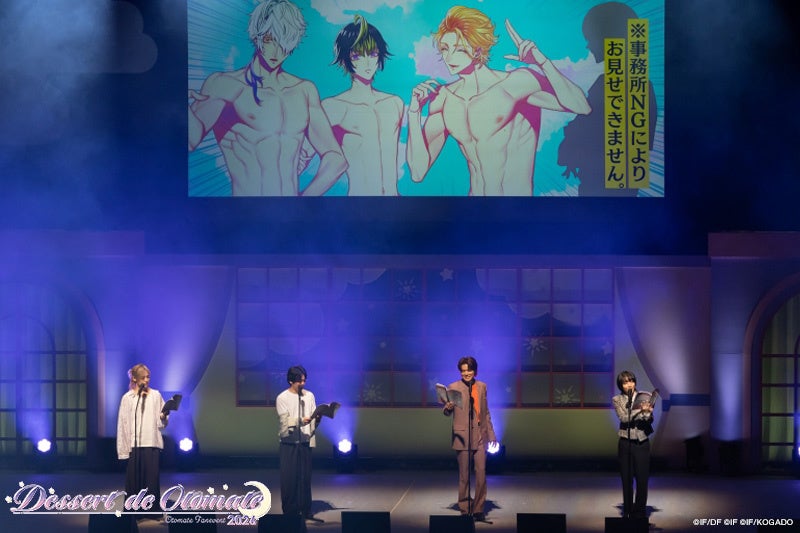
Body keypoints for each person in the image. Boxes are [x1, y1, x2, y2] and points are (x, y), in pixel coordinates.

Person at [407, 6, 591, 196]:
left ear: (478, 48)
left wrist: (542, 62)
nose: (449, 57)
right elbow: (418, 172)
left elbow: (582, 106)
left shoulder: (515, 84)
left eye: (459, 49)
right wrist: (414, 113)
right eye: (445, 49)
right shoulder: (444, 99)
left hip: (515, 207)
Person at [188, 0, 347, 196]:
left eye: (285, 42)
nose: (277, 51)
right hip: (245, 209)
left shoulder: (304, 91)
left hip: (291, 211)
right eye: (271, 39)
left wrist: (304, 199)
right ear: (258, 36)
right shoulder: (227, 85)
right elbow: (190, 140)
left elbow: (335, 159)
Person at [558, 2, 658, 196]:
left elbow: (582, 132)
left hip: (601, 189)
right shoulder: (641, 86)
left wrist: (574, 144)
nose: (588, 45)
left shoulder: (609, 85)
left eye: (591, 38)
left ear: (608, 37)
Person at [319, 15, 403, 196]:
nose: (367, 62)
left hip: (395, 202)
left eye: (372, 54)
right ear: (345, 59)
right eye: (357, 56)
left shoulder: (394, 103)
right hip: (359, 204)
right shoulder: (334, 106)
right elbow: (302, 154)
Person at [442, 356, 497, 521]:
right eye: (463, 371)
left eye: (469, 370)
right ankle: (465, 509)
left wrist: (492, 435)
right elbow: (447, 412)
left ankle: (478, 508)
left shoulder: (482, 387)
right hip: (462, 436)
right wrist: (448, 407)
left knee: (481, 473)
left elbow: (486, 413)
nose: (466, 373)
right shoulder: (453, 387)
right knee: (464, 475)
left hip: (480, 435)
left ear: (475, 371)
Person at [116, 363, 168, 518]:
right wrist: (123, 450)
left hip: (151, 443)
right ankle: (134, 512)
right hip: (134, 445)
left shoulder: (156, 395)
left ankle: (152, 511)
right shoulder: (128, 398)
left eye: (148, 377)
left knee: (151, 480)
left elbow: (161, 423)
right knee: (134, 481)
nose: (146, 380)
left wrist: (163, 416)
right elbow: (123, 424)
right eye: (143, 377)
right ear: (134, 378)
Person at [276, 365, 323, 521]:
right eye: (299, 381)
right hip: (289, 444)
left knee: (304, 478)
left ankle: (305, 510)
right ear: (291, 381)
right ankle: (290, 514)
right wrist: (300, 421)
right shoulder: (282, 398)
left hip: (305, 442)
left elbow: (313, 421)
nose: (303, 383)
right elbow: (284, 424)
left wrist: (317, 419)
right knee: (289, 479)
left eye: (304, 380)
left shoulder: (309, 396)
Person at [612, 370, 654, 519]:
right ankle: (628, 511)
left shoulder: (643, 397)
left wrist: (647, 412)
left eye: (631, 381)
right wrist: (638, 411)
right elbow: (624, 418)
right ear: (620, 385)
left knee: (642, 480)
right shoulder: (617, 399)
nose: (629, 384)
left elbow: (648, 419)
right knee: (626, 479)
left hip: (642, 443)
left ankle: (640, 512)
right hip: (625, 443)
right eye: (625, 382)